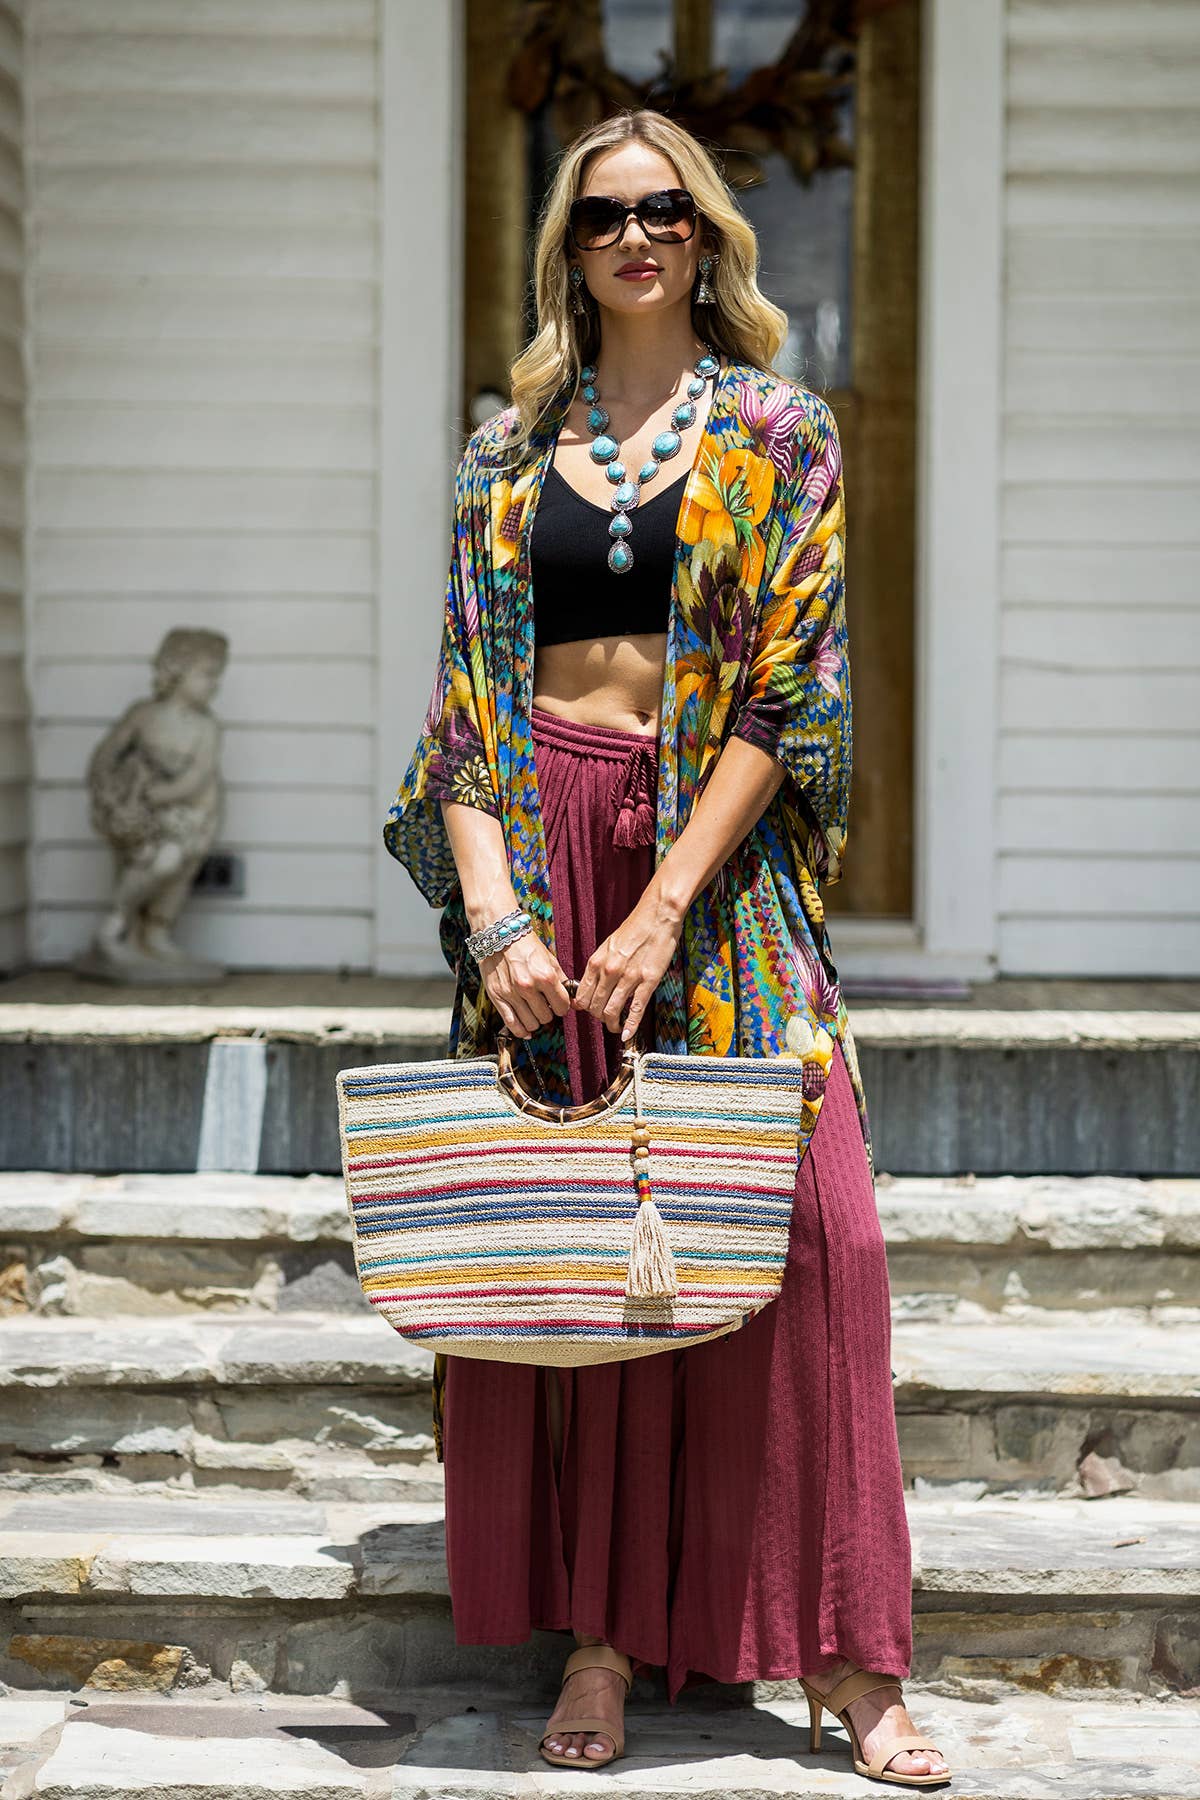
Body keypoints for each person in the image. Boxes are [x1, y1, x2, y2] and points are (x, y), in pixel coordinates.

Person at [382, 109, 950, 1788]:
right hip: (537, 854)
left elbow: (794, 689)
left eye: (671, 213)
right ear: (570, 245)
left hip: (712, 858)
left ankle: (856, 1661)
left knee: (818, 1242)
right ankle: (605, 1645)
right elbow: (465, 719)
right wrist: (497, 917)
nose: (640, 237)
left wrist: (659, 906)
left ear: (710, 238)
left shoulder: (781, 432)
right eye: (609, 215)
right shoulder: (503, 453)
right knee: (581, 1246)